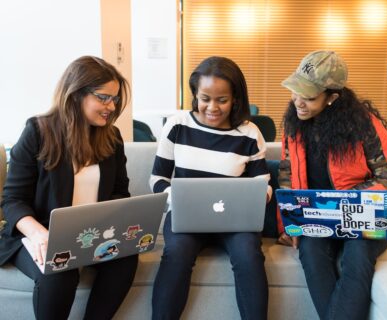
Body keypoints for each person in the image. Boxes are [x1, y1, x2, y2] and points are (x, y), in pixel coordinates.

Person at [0, 56, 138, 320]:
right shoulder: (37, 131)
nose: (112, 106)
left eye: (115, 99)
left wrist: (118, 227)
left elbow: (120, 192)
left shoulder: (112, 137)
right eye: (104, 98)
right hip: (37, 236)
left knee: (125, 261)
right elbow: (13, 199)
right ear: (76, 94)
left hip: (92, 235)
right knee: (60, 270)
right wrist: (40, 235)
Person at [276, 50, 387, 320]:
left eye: (308, 96)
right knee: (310, 252)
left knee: (356, 258)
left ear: (332, 98)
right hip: (317, 217)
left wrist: (346, 202)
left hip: (364, 217)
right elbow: (287, 175)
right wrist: (290, 223)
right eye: (295, 91)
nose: (298, 101)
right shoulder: (294, 125)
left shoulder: (364, 125)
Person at [150, 56, 271, 320]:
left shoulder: (249, 133)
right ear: (195, 95)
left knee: (249, 255)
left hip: (235, 220)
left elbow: (262, 180)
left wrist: (262, 192)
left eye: (222, 100)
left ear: (236, 98)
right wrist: (177, 198)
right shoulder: (177, 125)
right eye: (205, 98)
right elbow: (158, 178)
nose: (212, 107)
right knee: (176, 254)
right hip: (186, 217)